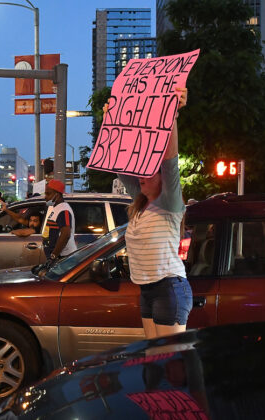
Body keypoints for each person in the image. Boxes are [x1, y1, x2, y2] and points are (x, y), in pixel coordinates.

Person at [111, 87, 192, 339]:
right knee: (154, 363)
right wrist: (112, 122)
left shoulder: (169, 203)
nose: (142, 176)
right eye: (141, 173)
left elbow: (170, 160)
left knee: (168, 363)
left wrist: (173, 115)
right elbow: (119, 163)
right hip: (147, 289)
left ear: (162, 179)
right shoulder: (141, 204)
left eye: (149, 172)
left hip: (169, 287)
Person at [43, 179, 77, 261]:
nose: (45, 197)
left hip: (63, 257)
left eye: (48, 194)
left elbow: (66, 234)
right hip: (58, 256)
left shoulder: (63, 210)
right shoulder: (56, 208)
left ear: (57, 195)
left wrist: (54, 256)